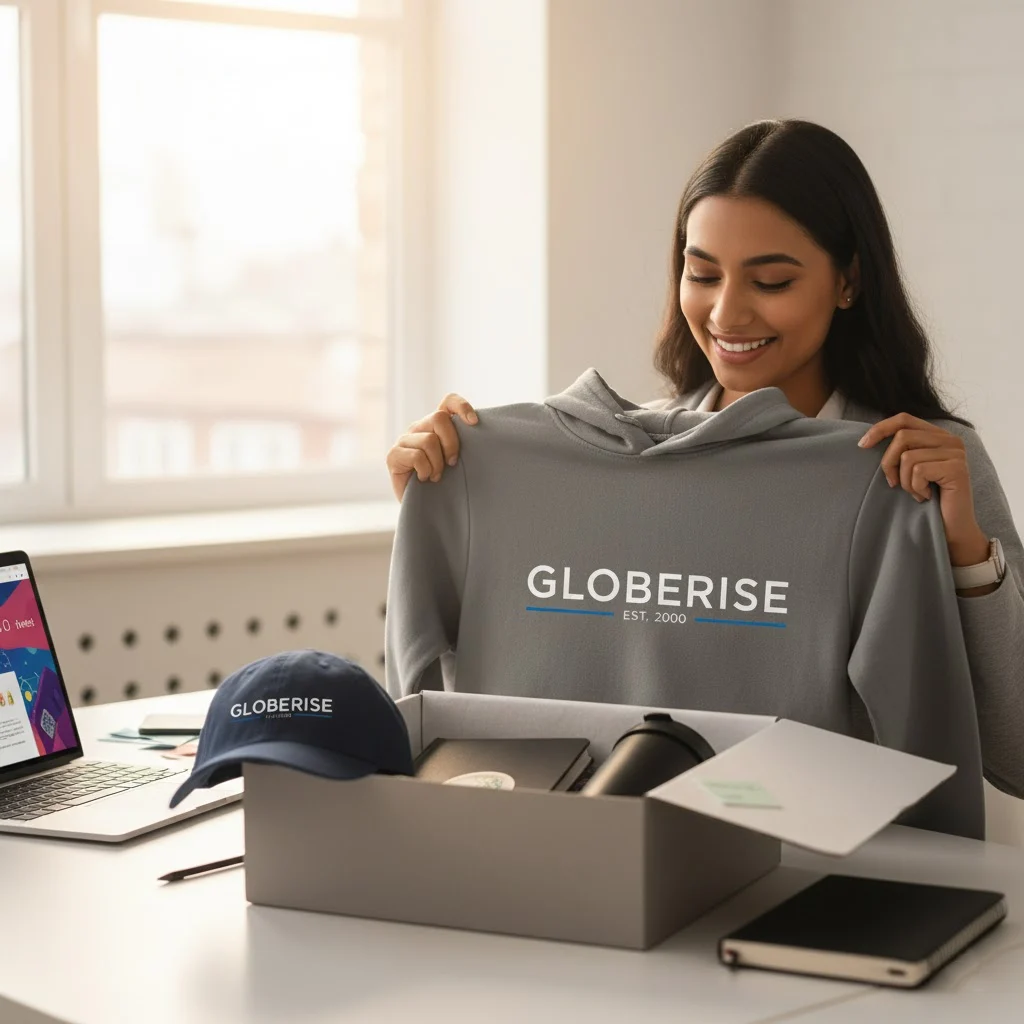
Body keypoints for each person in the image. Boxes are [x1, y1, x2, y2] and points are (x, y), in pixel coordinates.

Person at [384, 119, 1024, 800]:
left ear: (848, 280)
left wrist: (965, 556)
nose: (727, 313)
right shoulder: (620, 456)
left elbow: (1013, 752)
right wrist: (449, 513)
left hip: (808, 856)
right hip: (600, 853)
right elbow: (456, 718)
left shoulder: (918, 462)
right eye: (702, 274)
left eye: (770, 281)